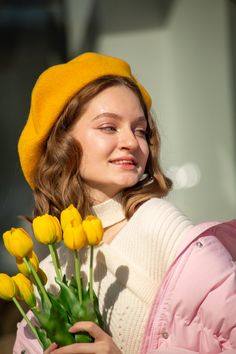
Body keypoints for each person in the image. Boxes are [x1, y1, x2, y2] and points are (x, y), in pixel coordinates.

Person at [13, 52, 236, 354]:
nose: (131, 142)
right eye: (109, 127)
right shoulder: (48, 275)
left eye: (140, 130)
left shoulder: (159, 224)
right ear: (61, 142)